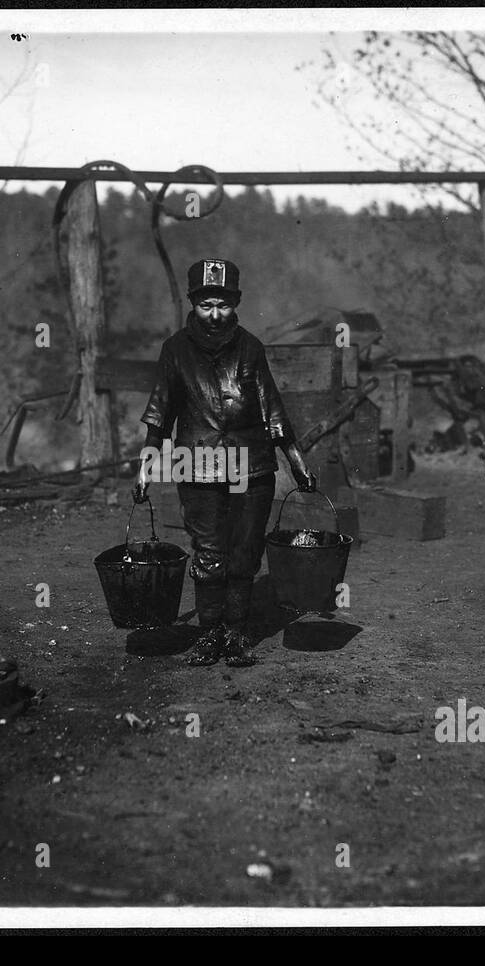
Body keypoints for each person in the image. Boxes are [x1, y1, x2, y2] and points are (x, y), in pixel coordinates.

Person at [133, 258, 316, 668]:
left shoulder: (251, 347)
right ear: (193, 304)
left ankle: (236, 635)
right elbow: (159, 414)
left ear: (236, 303)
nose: (215, 315)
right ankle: (209, 635)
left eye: (223, 305)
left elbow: (274, 412)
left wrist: (297, 462)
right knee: (208, 554)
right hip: (196, 463)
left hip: (252, 464)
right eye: (205, 305)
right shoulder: (175, 350)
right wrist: (146, 465)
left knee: (245, 554)